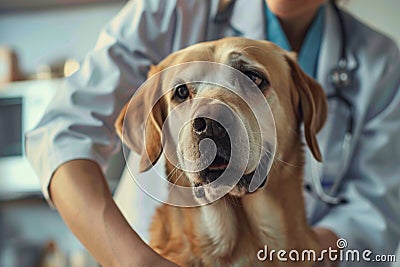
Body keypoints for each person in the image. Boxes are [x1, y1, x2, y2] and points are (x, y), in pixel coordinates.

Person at [26, 0, 400, 266]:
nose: (211, 114)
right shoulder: (172, 8)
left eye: (253, 79)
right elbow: (61, 132)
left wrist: (296, 252)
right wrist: (134, 261)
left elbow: (377, 208)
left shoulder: (378, 59)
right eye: (183, 94)